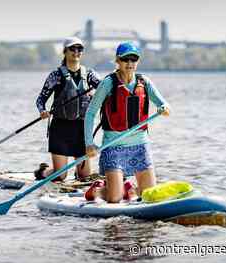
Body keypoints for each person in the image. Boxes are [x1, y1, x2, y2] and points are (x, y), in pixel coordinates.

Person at [84, 42, 170, 202]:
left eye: (133, 59)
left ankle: (128, 189)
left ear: (138, 61)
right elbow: (90, 113)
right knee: (114, 198)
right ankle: (98, 191)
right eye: (125, 59)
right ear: (117, 60)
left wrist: (164, 108)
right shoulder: (108, 83)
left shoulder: (144, 82)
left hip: (140, 146)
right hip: (114, 147)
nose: (130, 63)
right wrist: (89, 143)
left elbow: (163, 104)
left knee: (149, 196)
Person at [35, 36, 101, 181]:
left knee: (85, 177)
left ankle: (80, 173)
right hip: (60, 129)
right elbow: (40, 99)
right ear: (65, 52)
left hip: (81, 130)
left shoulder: (90, 74)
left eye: (80, 49)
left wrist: (96, 94)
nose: (76, 52)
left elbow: (106, 89)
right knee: (60, 176)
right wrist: (42, 111)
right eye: (72, 48)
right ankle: (43, 171)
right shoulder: (56, 75)